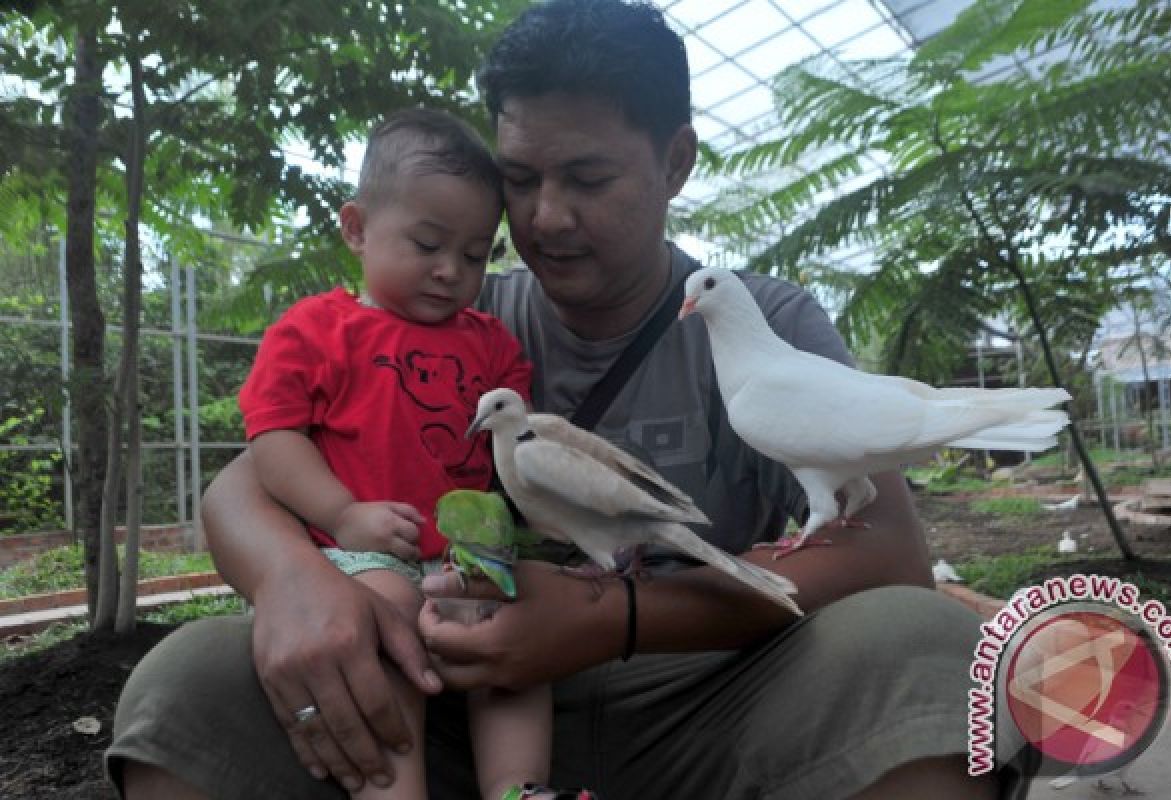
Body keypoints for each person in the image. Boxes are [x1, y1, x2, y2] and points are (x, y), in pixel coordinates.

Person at [107, 2, 1029, 798]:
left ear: (674, 161)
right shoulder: (450, 317)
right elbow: (248, 481)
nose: (544, 217)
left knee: (923, 650)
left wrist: (610, 622)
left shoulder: (772, 323)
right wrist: (291, 580)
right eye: (520, 179)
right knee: (186, 682)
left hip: (707, 706)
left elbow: (892, 551)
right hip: (449, 713)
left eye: (587, 179)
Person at [220, 107, 567, 800]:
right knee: (385, 640)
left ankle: (519, 789)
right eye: (427, 244)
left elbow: (516, 440)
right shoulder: (317, 330)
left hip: (471, 552)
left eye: (474, 256)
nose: (449, 271)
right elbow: (274, 439)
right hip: (369, 556)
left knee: (514, 656)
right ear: (356, 228)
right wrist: (344, 514)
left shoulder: (493, 342)